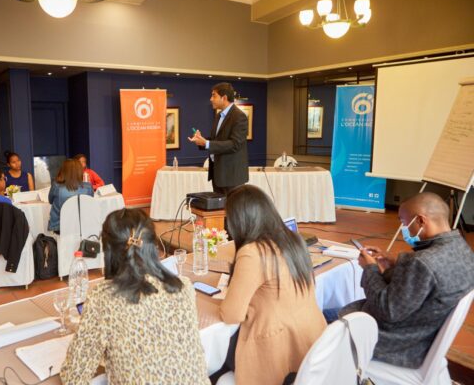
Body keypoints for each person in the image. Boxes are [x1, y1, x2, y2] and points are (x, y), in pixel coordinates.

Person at [60, 208, 209, 384]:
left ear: (108, 250)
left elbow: (73, 377)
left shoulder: (103, 298)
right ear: (153, 246)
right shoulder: (183, 286)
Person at [340, 192, 474, 369]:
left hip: (396, 343)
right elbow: (426, 283)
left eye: (404, 222)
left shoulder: (422, 263)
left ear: (421, 221)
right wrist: (396, 263)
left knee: (326, 318)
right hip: (423, 332)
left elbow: (387, 309)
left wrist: (370, 268)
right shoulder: (462, 248)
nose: (403, 228)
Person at [217, 185, 325, 385]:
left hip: (275, 349)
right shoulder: (293, 239)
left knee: (213, 354)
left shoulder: (253, 252)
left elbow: (231, 315)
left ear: (240, 221)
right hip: (311, 344)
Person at [188, 82, 249, 195]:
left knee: (232, 207)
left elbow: (235, 144)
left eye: (214, 96)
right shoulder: (218, 116)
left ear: (224, 98)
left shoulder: (239, 116)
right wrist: (201, 141)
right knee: (219, 207)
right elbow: (217, 140)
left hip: (232, 178)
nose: (211, 99)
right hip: (218, 175)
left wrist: (207, 143)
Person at [48, 159, 93, 233]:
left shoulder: (56, 186)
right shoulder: (88, 187)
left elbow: (50, 201)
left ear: (63, 171)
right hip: (83, 225)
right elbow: (90, 203)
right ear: (80, 171)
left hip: (60, 226)